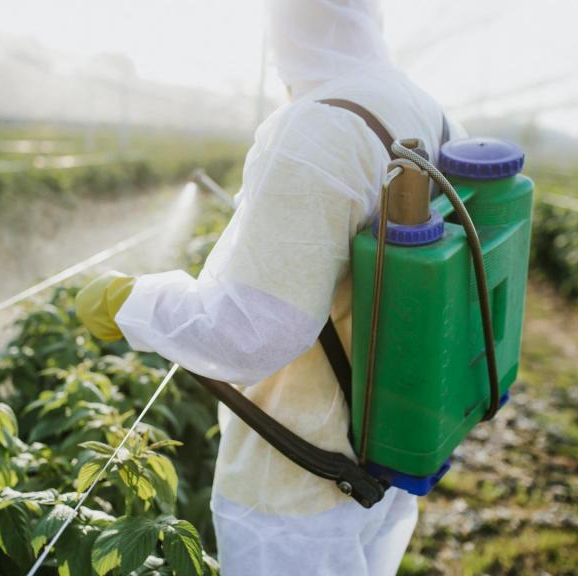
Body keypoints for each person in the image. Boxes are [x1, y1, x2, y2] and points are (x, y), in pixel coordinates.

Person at [76, 0, 459, 573]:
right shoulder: (418, 104)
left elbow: (253, 332)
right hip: (385, 443)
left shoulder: (321, 126)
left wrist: (130, 301)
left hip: (298, 485)